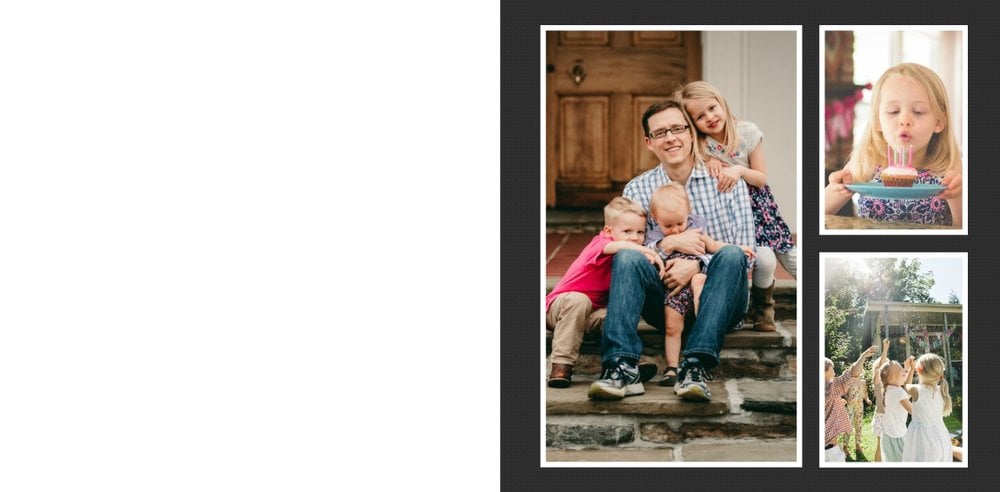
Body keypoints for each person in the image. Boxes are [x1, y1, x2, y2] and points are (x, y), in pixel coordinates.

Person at [587, 98, 755, 402]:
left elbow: (746, 258)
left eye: (677, 129)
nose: (670, 138)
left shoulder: (726, 179)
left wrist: (698, 265)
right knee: (626, 255)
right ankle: (621, 366)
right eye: (661, 133)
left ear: (691, 133)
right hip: (665, 299)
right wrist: (668, 244)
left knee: (731, 254)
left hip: (719, 299)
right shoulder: (637, 189)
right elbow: (631, 248)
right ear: (649, 142)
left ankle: (695, 366)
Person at [674, 81, 796, 331]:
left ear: (721, 103)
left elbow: (760, 178)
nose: (709, 117)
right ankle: (763, 309)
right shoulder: (700, 144)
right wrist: (707, 160)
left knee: (790, 257)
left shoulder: (747, 132)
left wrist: (738, 169)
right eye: (699, 116)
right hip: (730, 214)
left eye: (712, 108)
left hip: (759, 209)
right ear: (692, 123)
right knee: (764, 260)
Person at [545, 197, 664, 388]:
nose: (635, 238)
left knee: (612, 317)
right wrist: (650, 252)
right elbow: (618, 246)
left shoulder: (628, 256)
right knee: (580, 300)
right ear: (609, 231)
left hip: (590, 315)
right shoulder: (600, 243)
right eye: (627, 231)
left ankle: (629, 361)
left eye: (640, 232)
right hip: (559, 308)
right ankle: (561, 364)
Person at [825, 62, 963, 227]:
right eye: (894, 111)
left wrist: (957, 195)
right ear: (877, 121)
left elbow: (962, 226)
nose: (904, 120)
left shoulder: (948, 168)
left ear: (939, 122)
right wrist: (836, 188)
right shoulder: (866, 162)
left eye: (918, 111)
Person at [647, 183, 754, 386]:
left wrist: (737, 248)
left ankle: (701, 303)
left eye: (680, 223)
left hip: (701, 281)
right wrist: (666, 247)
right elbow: (649, 259)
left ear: (688, 212)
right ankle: (671, 368)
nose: (676, 230)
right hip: (674, 292)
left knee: (702, 276)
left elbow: (713, 246)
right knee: (672, 327)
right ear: (655, 217)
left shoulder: (696, 230)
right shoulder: (655, 237)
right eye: (668, 226)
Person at [825, 346, 878, 462]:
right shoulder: (830, 387)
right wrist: (863, 355)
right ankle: (845, 446)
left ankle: (857, 445)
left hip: (827, 447)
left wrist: (838, 401)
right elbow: (851, 374)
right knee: (849, 428)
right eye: (832, 369)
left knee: (858, 426)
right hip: (829, 450)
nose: (835, 372)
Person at [902, 353, 954, 462]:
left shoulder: (917, 390)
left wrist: (910, 369)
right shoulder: (942, 390)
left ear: (919, 371)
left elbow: (905, 386)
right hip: (941, 436)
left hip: (922, 440)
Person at [879, 355, 916, 462]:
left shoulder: (890, 389)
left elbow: (907, 390)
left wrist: (910, 369)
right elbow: (914, 411)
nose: (904, 370)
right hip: (897, 438)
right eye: (900, 369)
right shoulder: (897, 392)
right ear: (891, 378)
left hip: (888, 437)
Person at [871, 338, 891, 462]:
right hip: (882, 417)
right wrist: (885, 350)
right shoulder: (878, 382)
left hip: (887, 416)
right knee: (880, 446)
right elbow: (880, 367)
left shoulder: (888, 384)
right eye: (887, 366)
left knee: (887, 448)